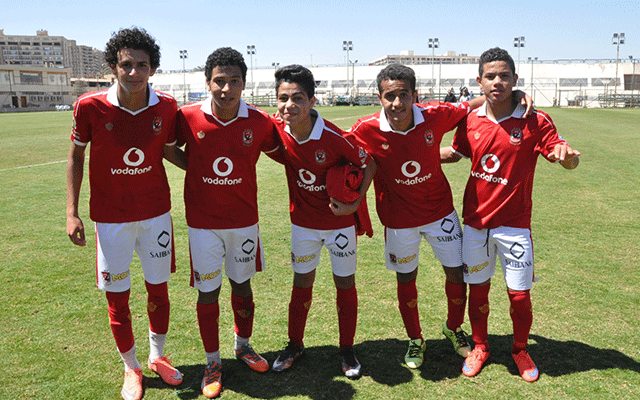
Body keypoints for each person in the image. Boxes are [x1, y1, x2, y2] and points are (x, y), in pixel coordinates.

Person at [441, 47, 580, 382]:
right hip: (476, 224)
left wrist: (568, 158)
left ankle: (520, 349)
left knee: (519, 296)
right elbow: (456, 153)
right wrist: (406, 157)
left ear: (515, 79)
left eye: (504, 76)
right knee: (478, 290)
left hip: (515, 225)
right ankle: (480, 346)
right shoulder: (470, 119)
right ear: (479, 81)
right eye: (490, 76)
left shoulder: (535, 120)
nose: (497, 82)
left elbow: (565, 157)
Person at [346, 63, 490, 370]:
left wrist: (514, 95)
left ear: (415, 95)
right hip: (398, 220)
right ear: (379, 97)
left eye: (403, 95)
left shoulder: (436, 114)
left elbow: (472, 104)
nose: (397, 103)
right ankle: (415, 338)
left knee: (456, 273)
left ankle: (453, 327)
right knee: (406, 278)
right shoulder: (365, 129)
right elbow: (337, 146)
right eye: (389, 96)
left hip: (440, 213)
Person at [66, 27, 183, 400]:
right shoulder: (89, 106)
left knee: (158, 290)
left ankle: (157, 357)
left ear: (153, 69)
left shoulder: (167, 106)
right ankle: (131, 367)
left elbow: (170, 150)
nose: (134, 72)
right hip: (110, 219)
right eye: (126, 65)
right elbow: (76, 157)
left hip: (155, 215)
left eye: (142, 65)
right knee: (117, 298)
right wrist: (71, 212)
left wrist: (207, 168)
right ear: (113, 67)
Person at [171, 47, 279, 398]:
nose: (226, 88)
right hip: (203, 223)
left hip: (243, 221)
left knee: (242, 287)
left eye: (234, 81)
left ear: (244, 84)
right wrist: (195, 168)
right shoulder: (188, 116)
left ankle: (243, 346)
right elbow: (167, 148)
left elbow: (285, 152)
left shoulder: (260, 121)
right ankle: (212, 362)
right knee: (208, 292)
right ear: (208, 83)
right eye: (219, 81)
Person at [269, 64, 376, 379]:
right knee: (301, 283)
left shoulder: (334, 137)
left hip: (339, 226)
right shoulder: (278, 129)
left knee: (345, 283)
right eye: (283, 98)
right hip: (302, 225)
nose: (290, 105)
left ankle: (347, 349)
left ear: (312, 101)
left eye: (298, 98)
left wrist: (355, 202)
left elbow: (369, 163)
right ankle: (295, 345)